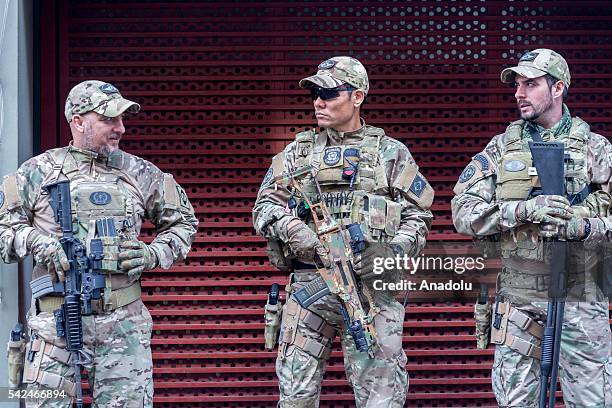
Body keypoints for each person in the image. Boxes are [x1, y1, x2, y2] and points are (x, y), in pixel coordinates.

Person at [0, 80, 198, 407]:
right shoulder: (37, 172)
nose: (120, 128)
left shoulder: (140, 172)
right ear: (78, 122)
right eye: (108, 119)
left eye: (122, 119)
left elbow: (184, 223)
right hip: (54, 326)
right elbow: (4, 226)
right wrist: (36, 241)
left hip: (123, 327)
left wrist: (153, 253)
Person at [253, 56, 434, 407]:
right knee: (295, 398)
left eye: (330, 93)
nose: (318, 101)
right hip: (310, 287)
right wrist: (294, 229)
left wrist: (393, 252)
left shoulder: (390, 153)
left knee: (381, 397)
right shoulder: (296, 154)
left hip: (370, 292)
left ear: (358, 96)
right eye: (316, 93)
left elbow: (419, 216)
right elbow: (263, 208)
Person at [451, 49, 611, 407]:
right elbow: (462, 212)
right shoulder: (500, 149)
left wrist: (584, 225)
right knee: (517, 402)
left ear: (558, 88)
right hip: (519, 300)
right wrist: (523, 210)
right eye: (517, 84)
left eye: (531, 84)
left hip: (581, 298)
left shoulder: (597, 150)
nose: (519, 93)